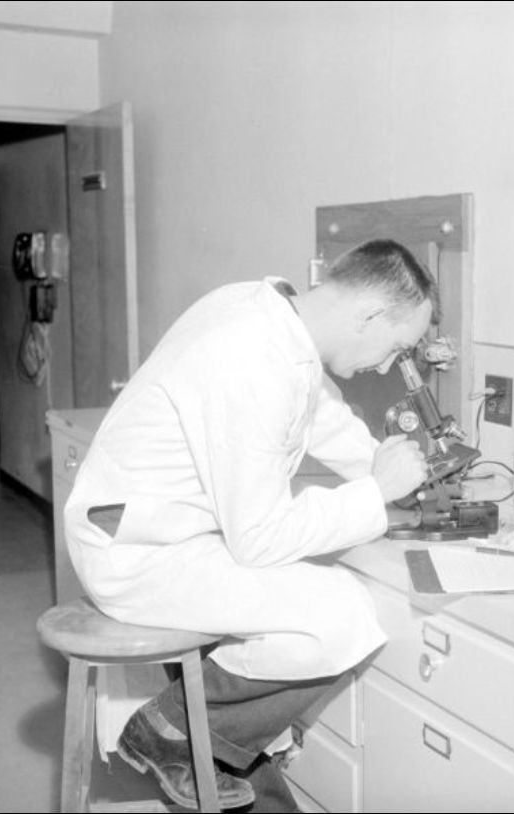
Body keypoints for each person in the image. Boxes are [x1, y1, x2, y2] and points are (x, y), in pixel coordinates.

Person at [63, 239, 436, 811]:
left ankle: (209, 749)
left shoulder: (272, 317)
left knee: (327, 604)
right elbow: (259, 539)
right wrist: (375, 493)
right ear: (367, 316)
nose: (388, 365)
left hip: (169, 534)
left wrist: (394, 476)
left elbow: (321, 417)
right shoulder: (251, 357)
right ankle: (168, 729)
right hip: (139, 555)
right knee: (341, 618)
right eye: (396, 347)